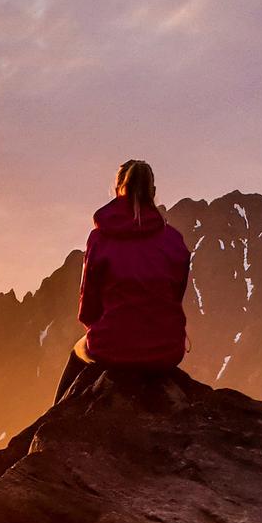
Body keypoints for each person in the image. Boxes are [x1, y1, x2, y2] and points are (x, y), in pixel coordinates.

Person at [55, 159, 191, 401]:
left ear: (118, 189)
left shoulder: (100, 239)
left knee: (76, 354)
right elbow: (175, 295)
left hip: (112, 346)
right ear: (153, 192)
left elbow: (88, 309)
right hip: (166, 349)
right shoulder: (174, 240)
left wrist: (112, 330)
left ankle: (56, 413)